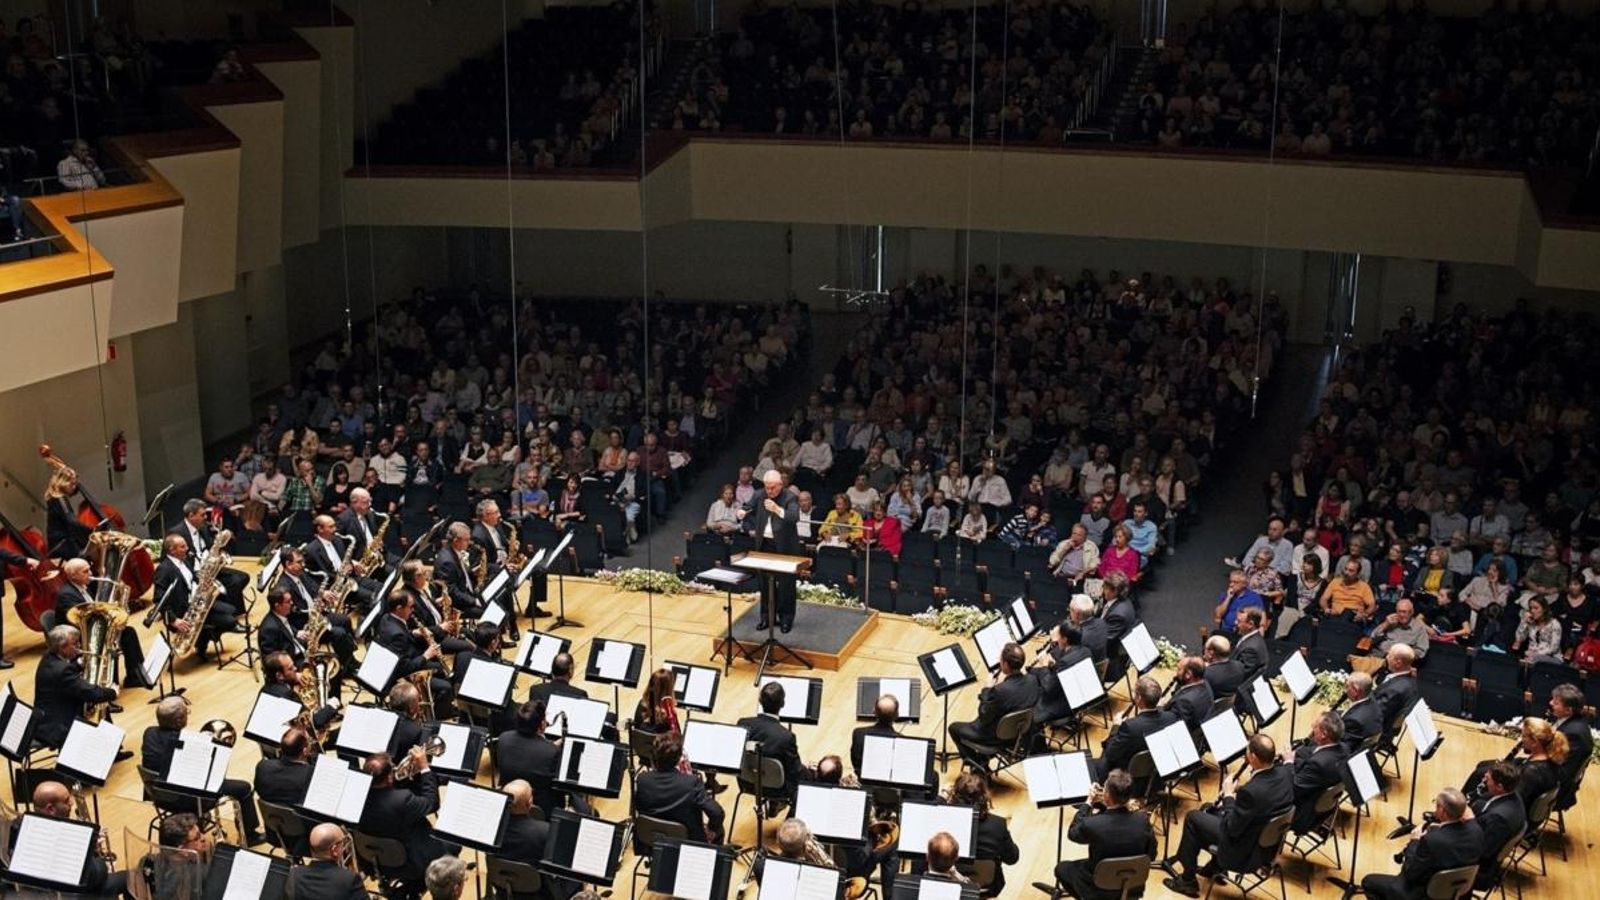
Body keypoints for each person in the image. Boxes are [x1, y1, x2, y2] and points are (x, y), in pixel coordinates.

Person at [1162, 735, 1293, 896]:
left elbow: (1232, 828)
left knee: (1193, 818)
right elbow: (1262, 800)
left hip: (1242, 850)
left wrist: (1229, 796)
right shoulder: (1286, 773)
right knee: (1208, 808)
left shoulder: (1251, 792)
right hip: (1266, 847)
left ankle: (1188, 880)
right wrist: (1236, 801)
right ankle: (1214, 868)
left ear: (1252, 757)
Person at [143, 695, 266, 843]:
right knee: (244, 788)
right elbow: (211, 774)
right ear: (178, 720)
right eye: (186, 713)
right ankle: (250, 836)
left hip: (159, 796)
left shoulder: (149, 733)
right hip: (188, 799)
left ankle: (205, 819)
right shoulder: (185, 741)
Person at [1357, 789, 1482, 900]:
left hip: (1424, 894)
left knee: (1369, 882)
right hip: (1458, 892)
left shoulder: (1432, 840)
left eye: (1436, 805)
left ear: (1443, 811)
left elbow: (1410, 873)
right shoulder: (1476, 831)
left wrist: (1415, 841)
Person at [1054, 769, 1157, 900]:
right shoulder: (1142, 820)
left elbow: (1073, 833)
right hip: (1133, 886)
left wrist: (1088, 802)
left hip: (1099, 888)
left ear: (1107, 795)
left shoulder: (1093, 825)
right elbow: (1152, 855)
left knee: (1062, 868)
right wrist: (1106, 804)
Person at [359, 750, 459, 881]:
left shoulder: (356, 797)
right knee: (455, 842)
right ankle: (439, 885)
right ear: (389, 777)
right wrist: (424, 768)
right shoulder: (402, 799)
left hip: (374, 861)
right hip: (410, 864)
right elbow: (432, 804)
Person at [53, 556, 147, 685]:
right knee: (109, 644)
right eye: (85, 571)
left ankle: (135, 675)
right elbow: (81, 621)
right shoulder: (66, 595)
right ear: (73, 576)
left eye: (89, 570)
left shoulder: (85, 586)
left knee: (128, 632)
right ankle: (108, 684)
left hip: (92, 628)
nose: (91, 574)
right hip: (79, 637)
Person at [25, 780, 127, 897]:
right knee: (129, 877)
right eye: (66, 800)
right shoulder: (66, 838)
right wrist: (93, 852)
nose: (72, 802)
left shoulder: (25, 827)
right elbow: (98, 874)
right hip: (70, 894)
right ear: (50, 809)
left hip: (40, 893)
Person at [32, 623, 123, 751]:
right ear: (62, 647)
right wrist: (112, 692)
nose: (79, 647)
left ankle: (113, 751)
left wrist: (78, 663)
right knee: (98, 708)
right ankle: (96, 759)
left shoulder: (49, 656)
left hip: (49, 715)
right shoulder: (62, 670)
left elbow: (66, 677)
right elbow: (90, 693)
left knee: (101, 707)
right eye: (75, 644)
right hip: (58, 725)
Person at [950, 642, 1039, 771]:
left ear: (1006, 665)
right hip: (1019, 734)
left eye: (1001, 660)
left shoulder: (999, 691)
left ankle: (978, 765)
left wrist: (987, 689)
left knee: (953, 728)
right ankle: (982, 760)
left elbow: (984, 716)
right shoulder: (1032, 680)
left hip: (995, 737)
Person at [634, 732, 725, 845]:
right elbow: (717, 813)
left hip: (652, 839)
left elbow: (638, 806)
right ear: (678, 759)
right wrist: (710, 829)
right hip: (687, 842)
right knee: (719, 831)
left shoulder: (642, 780)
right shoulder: (691, 783)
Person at [746, 469, 802, 631]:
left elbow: (794, 517)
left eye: (772, 488)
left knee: (786, 584)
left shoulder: (790, 497)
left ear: (780, 485)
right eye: (766, 487)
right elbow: (748, 506)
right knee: (764, 583)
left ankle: (786, 619)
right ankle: (766, 617)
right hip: (765, 544)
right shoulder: (759, 494)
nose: (769, 491)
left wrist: (777, 509)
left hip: (785, 546)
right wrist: (743, 511)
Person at [948, 772, 1019, 896]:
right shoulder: (998, 825)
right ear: (985, 797)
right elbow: (1012, 858)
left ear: (954, 797)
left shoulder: (944, 824)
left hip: (951, 884)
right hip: (987, 886)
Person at [1096, 676, 1177, 780]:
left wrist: (1116, 726)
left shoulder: (1130, 727)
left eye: (1135, 692)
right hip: (1155, 778)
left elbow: (1110, 753)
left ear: (1138, 698)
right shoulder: (1171, 717)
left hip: (1126, 780)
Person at [738, 680, 805, 800]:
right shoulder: (786, 737)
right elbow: (795, 771)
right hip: (777, 790)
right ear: (783, 704)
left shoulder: (743, 724)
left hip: (746, 782)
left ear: (760, 701)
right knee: (807, 777)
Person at [1467, 762, 1525, 891]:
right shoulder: (1514, 795)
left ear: (1499, 787)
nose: (1484, 780)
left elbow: (1481, 852)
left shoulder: (1498, 820)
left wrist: (1467, 822)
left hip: (1478, 871)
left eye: (1488, 780)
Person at [1286, 713, 1347, 832]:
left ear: (1324, 734)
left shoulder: (1318, 764)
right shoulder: (1344, 749)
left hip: (1302, 812)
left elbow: (1294, 788)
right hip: (1323, 806)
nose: (1312, 726)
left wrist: (1288, 762)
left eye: (1316, 726)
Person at [1032, 623, 1094, 724]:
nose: (1058, 640)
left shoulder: (1065, 662)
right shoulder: (1086, 651)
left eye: (1059, 637)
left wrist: (1043, 665)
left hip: (1066, 704)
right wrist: (1053, 666)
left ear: (1065, 639)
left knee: (1029, 709)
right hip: (1082, 695)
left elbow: (1048, 687)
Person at [291, 823, 369, 900]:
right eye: (342, 842)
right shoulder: (350, 880)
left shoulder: (294, 874)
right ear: (334, 850)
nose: (344, 846)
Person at [1162, 657, 1214, 730]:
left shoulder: (1184, 702)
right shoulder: (1206, 684)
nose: (1176, 673)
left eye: (1179, 669)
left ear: (1188, 675)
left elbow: (1170, 724)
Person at [1339, 673, 1384, 755]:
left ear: (1355, 691)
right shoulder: (1373, 703)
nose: (1345, 690)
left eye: (1347, 686)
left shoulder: (1353, 720)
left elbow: (1342, 747)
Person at [1212, 569, 1264, 637]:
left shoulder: (1255, 598)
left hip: (1243, 633)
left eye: (1235, 582)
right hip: (1226, 630)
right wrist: (1228, 598)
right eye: (1230, 581)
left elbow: (1262, 621)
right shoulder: (1225, 595)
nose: (1231, 585)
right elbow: (1218, 615)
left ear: (1244, 584)